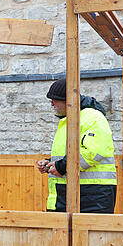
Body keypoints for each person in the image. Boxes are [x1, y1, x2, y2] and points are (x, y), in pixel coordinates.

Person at [37, 78, 117, 213]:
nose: (52, 104)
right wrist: (50, 163)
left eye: (54, 99)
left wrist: (60, 166)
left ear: (67, 100)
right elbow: (70, 153)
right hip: (71, 192)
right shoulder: (69, 120)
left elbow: (92, 152)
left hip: (92, 195)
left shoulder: (92, 117)